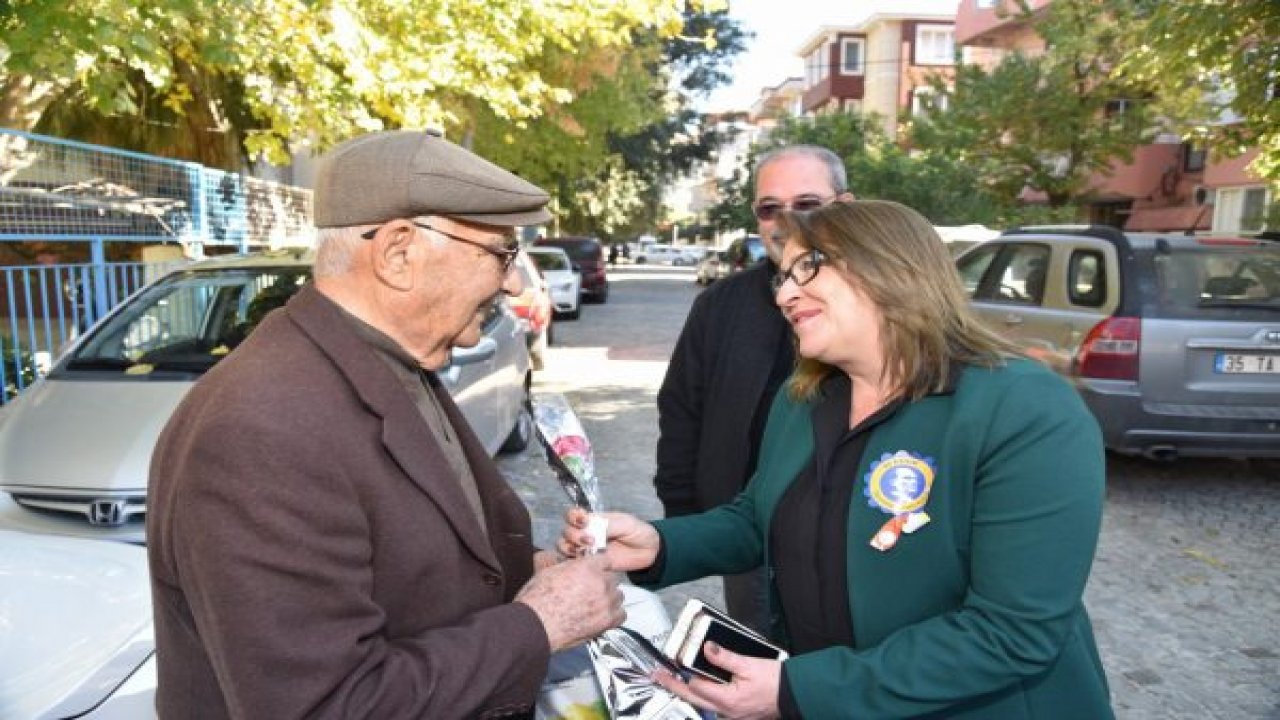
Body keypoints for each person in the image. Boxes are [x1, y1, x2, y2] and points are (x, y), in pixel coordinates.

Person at [565, 200, 1113, 718]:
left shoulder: (1024, 410)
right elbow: (758, 518)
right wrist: (661, 544)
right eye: (783, 276)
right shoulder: (804, 398)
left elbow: (1012, 632)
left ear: (889, 267)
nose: (784, 295)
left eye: (808, 267)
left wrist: (799, 690)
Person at [147, 130, 624, 720]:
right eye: (501, 253)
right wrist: (538, 624)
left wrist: (527, 576)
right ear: (399, 253)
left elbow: (410, 562)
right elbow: (322, 705)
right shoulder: (262, 429)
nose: (513, 282)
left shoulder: (385, 361)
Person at [653, 145, 853, 635]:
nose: (787, 219)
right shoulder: (721, 305)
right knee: (762, 677)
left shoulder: (879, 304)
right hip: (749, 542)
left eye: (807, 204)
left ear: (845, 206)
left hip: (853, 541)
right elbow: (681, 410)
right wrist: (686, 526)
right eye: (770, 207)